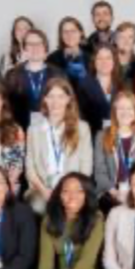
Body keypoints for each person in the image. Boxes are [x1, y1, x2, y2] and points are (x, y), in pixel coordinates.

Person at [25, 78, 94, 214]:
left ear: (68, 99)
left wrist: (70, 191)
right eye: (51, 97)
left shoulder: (82, 128)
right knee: (38, 206)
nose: (55, 102)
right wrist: (44, 191)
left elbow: (86, 167)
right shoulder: (34, 129)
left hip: (73, 187)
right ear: (45, 99)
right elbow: (30, 167)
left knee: (74, 206)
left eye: (61, 97)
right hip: (43, 188)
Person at [94, 91, 135, 212]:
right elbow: (99, 172)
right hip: (110, 192)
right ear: (114, 112)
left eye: (129, 108)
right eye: (121, 108)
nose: (125, 112)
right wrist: (115, 193)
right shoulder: (102, 136)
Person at [5, 29, 65, 131]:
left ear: (45, 48)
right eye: (30, 44)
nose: (35, 48)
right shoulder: (12, 75)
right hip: (20, 130)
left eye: (39, 44)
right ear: (24, 49)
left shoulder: (58, 74)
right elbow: (6, 107)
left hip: (53, 127)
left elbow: (67, 104)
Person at [77, 44, 124, 138]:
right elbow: (80, 117)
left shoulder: (123, 85)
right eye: (100, 58)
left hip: (118, 135)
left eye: (108, 58)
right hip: (92, 136)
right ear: (94, 61)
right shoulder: (84, 85)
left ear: (114, 61)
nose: (104, 62)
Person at [47, 17, 92, 89]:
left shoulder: (91, 57)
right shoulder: (51, 59)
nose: (69, 35)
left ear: (81, 33)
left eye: (73, 31)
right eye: (65, 32)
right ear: (61, 35)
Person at [114, 21, 135, 90]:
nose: (126, 41)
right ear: (116, 41)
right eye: (122, 37)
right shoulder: (107, 63)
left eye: (130, 37)